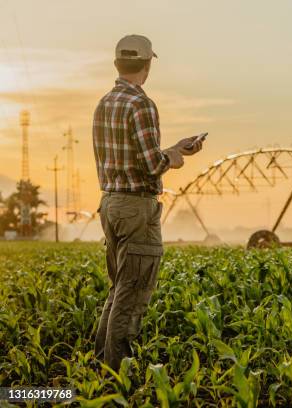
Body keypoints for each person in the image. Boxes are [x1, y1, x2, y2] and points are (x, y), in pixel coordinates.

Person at [92, 34, 203, 370]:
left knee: (119, 289)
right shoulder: (141, 104)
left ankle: (100, 368)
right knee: (133, 291)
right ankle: (117, 376)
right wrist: (174, 158)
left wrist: (169, 149)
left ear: (117, 64)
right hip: (136, 207)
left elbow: (128, 156)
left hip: (110, 203)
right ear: (147, 64)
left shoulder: (105, 103)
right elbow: (151, 165)